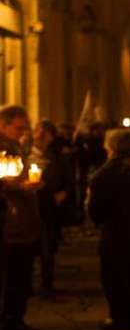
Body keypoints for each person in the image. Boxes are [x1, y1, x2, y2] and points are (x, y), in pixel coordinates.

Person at [87, 129, 130, 330]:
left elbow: (96, 208)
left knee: (114, 275)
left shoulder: (105, 174)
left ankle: (120, 316)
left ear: (111, 147)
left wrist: (97, 218)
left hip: (115, 230)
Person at [0, 106, 43, 330]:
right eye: (18, 128)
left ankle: (16, 318)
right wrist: (18, 186)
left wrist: (34, 182)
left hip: (24, 221)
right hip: (8, 221)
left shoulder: (17, 146)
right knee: (9, 274)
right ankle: (7, 320)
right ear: (3, 124)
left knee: (21, 275)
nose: (23, 133)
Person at [30, 121, 71, 297]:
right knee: (29, 247)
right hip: (31, 206)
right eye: (38, 131)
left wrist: (64, 193)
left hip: (49, 207)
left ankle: (47, 282)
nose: (40, 135)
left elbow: (66, 179)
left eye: (45, 133)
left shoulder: (57, 157)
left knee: (48, 247)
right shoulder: (24, 153)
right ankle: (26, 283)